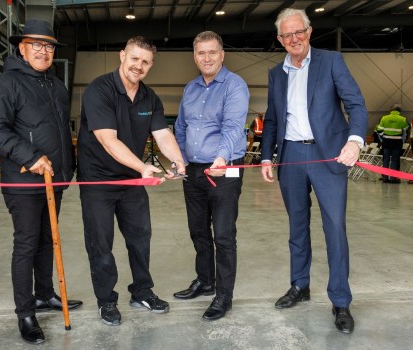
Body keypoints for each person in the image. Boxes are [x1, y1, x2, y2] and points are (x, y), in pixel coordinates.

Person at [260, 8, 367, 334]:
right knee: (297, 226)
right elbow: (273, 119)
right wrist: (267, 157)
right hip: (291, 156)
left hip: (328, 157)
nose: (294, 39)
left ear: (309, 31)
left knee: (334, 228)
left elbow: (356, 104)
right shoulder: (276, 73)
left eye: (299, 32)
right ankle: (299, 285)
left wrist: (355, 141)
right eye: (287, 35)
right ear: (280, 39)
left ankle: (340, 301)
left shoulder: (331, 61)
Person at [0, 19, 82, 345]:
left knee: (46, 239)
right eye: (35, 44)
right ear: (21, 48)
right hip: (24, 181)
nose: (43, 50)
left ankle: (45, 294)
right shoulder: (5, 84)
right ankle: (25, 312)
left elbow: (61, 133)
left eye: (49, 46)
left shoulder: (56, 86)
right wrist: (30, 156)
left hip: (55, 180)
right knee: (26, 243)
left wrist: (68, 168)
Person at [77, 36, 186, 326]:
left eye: (146, 62)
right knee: (101, 243)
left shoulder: (150, 98)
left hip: (132, 182)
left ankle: (141, 291)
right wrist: (143, 167)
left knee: (140, 238)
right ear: (122, 55)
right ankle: (106, 301)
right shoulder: (99, 90)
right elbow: (107, 140)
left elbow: (162, 134)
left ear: (151, 65)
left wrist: (178, 161)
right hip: (98, 182)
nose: (139, 66)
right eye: (134, 58)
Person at [173, 31, 250, 321]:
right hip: (192, 170)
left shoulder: (234, 86)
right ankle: (205, 281)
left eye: (212, 52)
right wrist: (179, 158)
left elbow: (232, 127)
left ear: (222, 54)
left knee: (224, 235)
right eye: (201, 53)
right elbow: (181, 126)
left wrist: (221, 157)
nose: (206, 58)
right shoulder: (190, 88)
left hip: (224, 170)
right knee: (198, 230)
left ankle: (223, 295)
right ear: (195, 56)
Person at [376, 104, 408, 183]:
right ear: (399, 111)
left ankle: (385, 177)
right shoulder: (403, 119)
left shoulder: (384, 118)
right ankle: (392, 178)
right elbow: (406, 130)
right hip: (397, 142)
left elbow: (379, 130)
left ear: (391, 110)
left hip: (386, 142)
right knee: (394, 159)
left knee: (385, 159)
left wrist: (383, 137)